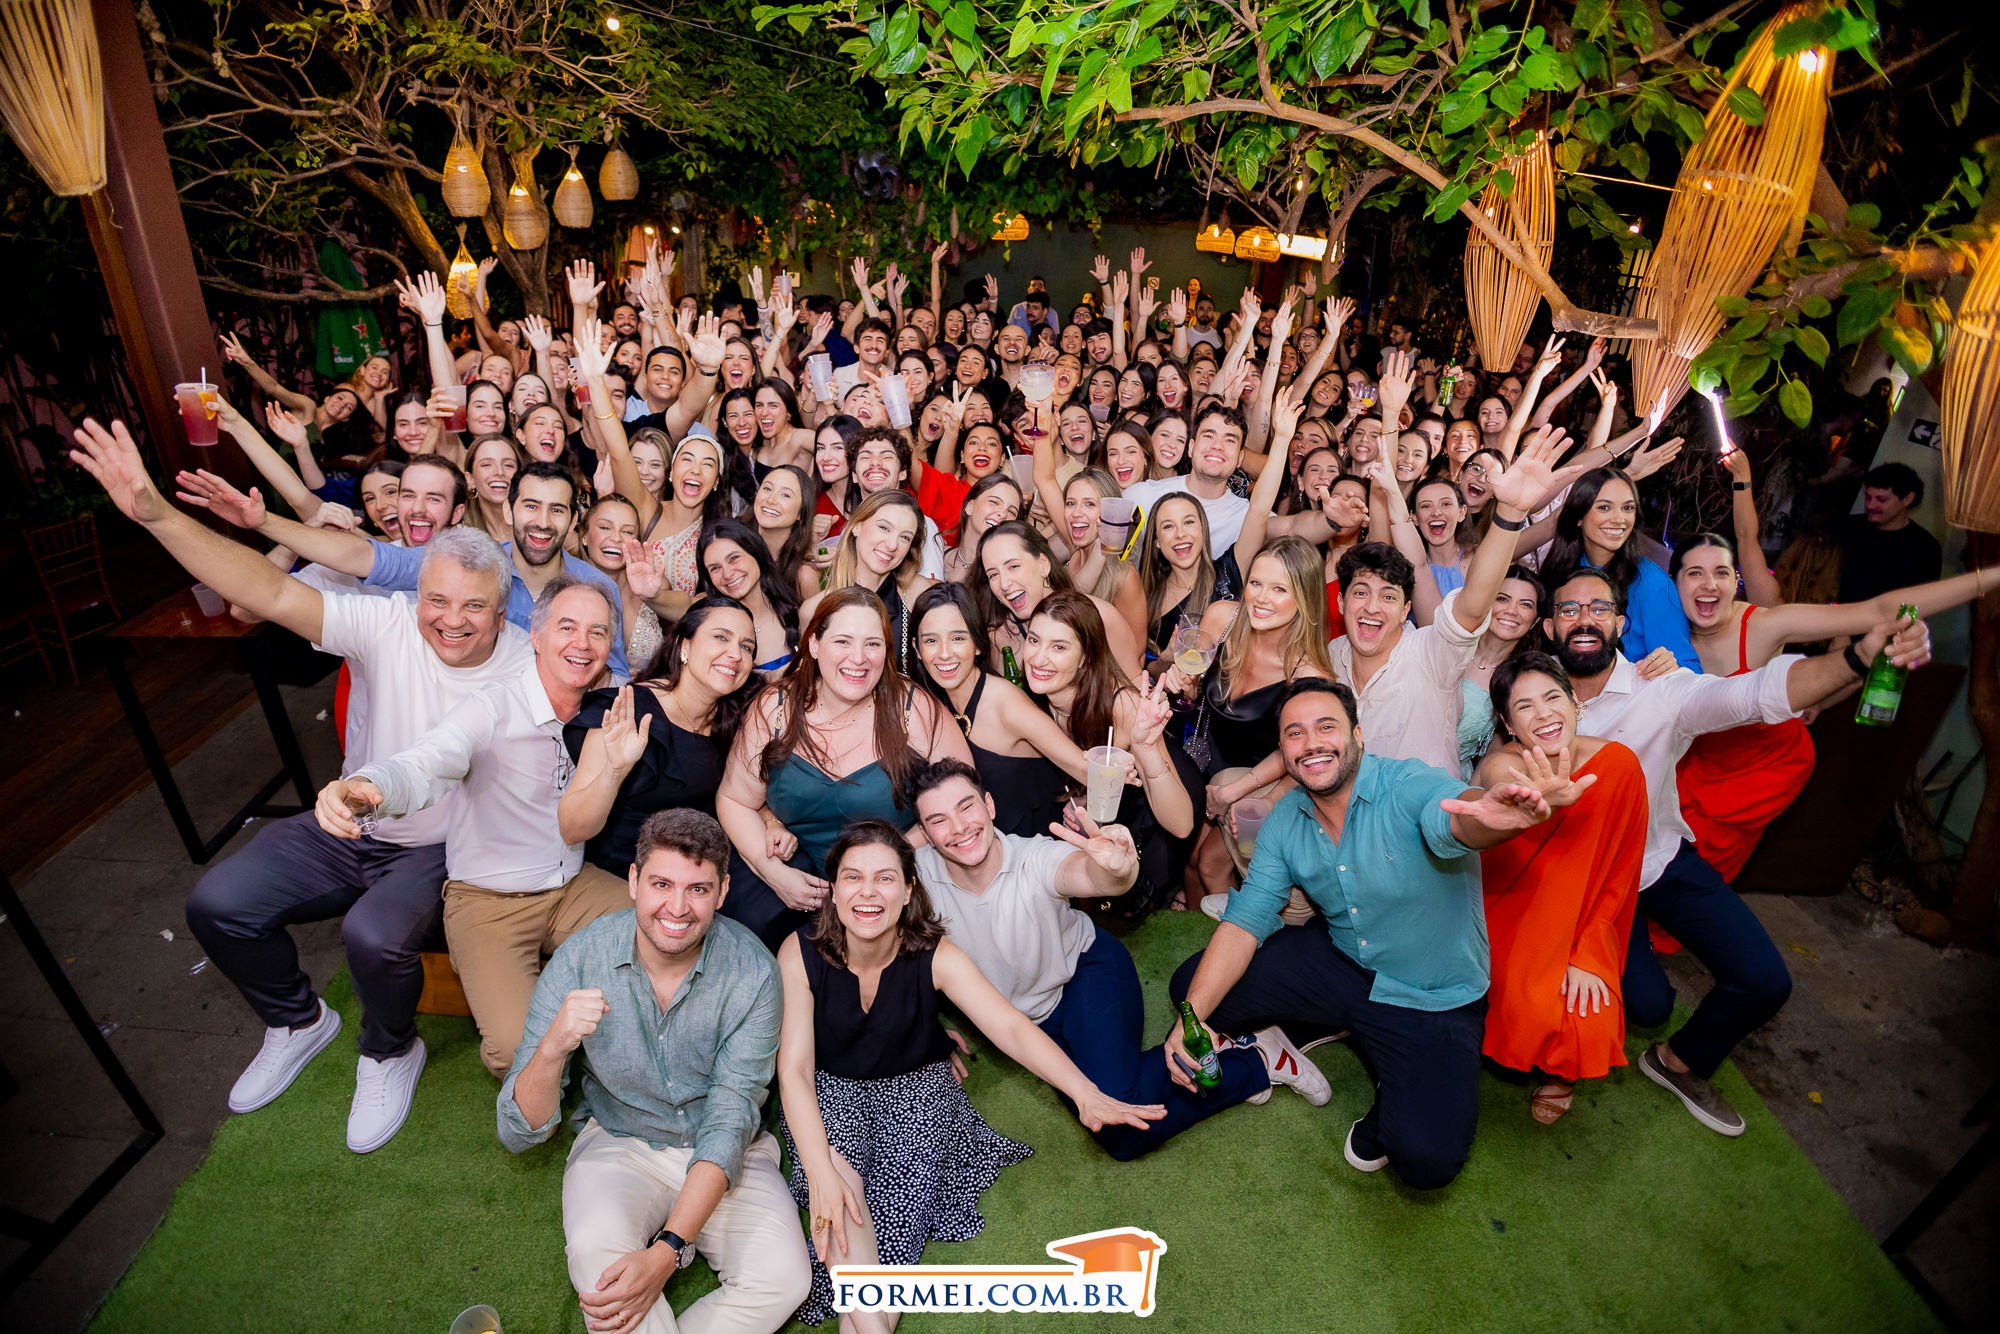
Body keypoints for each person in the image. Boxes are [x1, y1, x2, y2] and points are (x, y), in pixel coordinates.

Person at [68, 417, 532, 1152]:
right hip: (349, 823)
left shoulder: (524, 662)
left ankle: (389, 1049)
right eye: (437, 601)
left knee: (372, 936)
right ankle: (298, 1021)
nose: (451, 621)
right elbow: (266, 592)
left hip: (439, 849)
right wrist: (158, 515)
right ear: (416, 595)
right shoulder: (386, 622)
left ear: (500, 613)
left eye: (473, 606)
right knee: (218, 903)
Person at [1538, 566, 1932, 1135]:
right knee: (1648, 1006)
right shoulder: (1531, 693)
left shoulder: (1662, 690)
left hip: (1658, 861)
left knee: (1764, 981)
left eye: (1598, 609)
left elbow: (1752, 694)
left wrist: (1855, 659)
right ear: (1550, 627)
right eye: (1569, 609)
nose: (1584, 620)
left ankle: (1678, 1061)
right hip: (1585, 879)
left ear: (1620, 624)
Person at [1167, 679, 1563, 1189]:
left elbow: (1458, 818)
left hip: (1428, 996)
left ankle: (1388, 1079)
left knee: (1425, 1160)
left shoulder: (1408, 784)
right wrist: (1193, 1018)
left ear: (1357, 735)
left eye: (1325, 727)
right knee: (1191, 990)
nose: (1311, 743)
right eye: (1295, 733)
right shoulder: (1286, 817)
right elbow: (1245, 922)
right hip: (1341, 961)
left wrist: (1494, 817)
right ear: (1283, 751)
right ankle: (1304, 1036)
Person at [776, 819, 1162, 1327]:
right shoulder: (799, 952)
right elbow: (795, 1071)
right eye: (853, 877)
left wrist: (1084, 1092)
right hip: (830, 1092)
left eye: (885, 878)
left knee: (892, 1225)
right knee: (837, 1185)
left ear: (908, 890)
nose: (867, 892)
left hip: (915, 1092)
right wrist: (821, 1171)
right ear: (834, 887)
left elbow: (1010, 1027)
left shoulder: (936, 954)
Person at [911, 760, 1326, 1163]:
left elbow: (1087, 874)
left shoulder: (1034, 858)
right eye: (938, 820)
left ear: (989, 805)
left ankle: (1257, 1060)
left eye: (966, 807)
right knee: (1108, 1116)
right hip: (1026, 1020)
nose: (959, 827)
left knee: (1122, 1134)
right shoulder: (915, 882)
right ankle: (1232, 1051)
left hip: (1086, 976)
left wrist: (1118, 871)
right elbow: (894, 959)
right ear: (925, 835)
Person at [499, 809, 812, 1334]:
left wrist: (667, 1251)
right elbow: (517, 1132)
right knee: (602, 1275)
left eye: (698, 889)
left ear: (722, 891)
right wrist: (553, 1047)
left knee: (783, 1281)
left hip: (725, 1150)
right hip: (618, 1140)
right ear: (633, 881)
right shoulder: (581, 959)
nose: (677, 907)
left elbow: (730, 1118)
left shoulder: (753, 972)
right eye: (662, 884)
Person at [315, 578, 631, 1080]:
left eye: (598, 632)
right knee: (517, 1054)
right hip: (489, 903)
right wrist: (367, 785)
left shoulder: (609, 707)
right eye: (567, 627)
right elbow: (427, 761)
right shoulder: (491, 707)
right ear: (536, 635)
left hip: (572, 885)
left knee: (673, 923)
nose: (583, 643)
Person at [1672, 532, 1998, 878]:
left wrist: (1989, 578)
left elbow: (1878, 611)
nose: (1710, 585)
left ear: (1735, 580)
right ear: (1673, 582)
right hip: (1692, 762)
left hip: (1757, 769)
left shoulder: (1763, 624)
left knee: (1693, 874)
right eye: (1695, 573)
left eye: (1721, 573)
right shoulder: (1661, 627)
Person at [716, 588, 975, 948]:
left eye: (873, 644)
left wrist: (895, 853)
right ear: (814, 644)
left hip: (894, 882)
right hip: (797, 880)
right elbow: (735, 800)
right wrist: (772, 871)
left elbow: (965, 804)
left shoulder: (915, 710)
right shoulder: (775, 709)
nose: (859, 658)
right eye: (843, 641)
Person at [1473, 653, 1648, 1124]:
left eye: (1552, 698)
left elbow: (1622, 868)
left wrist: (1588, 952)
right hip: (1503, 905)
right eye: (1524, 707)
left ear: (1575, 701)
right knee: (1517, 1005)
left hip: (1581, 916)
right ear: (1508, 724)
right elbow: (1497, 780)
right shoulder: (1505, 763)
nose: (1544, 714)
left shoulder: (1619, 765)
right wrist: (1532, 797)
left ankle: (1560, 1074)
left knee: (1587, 1018)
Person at [1326, 427, 1558, 773]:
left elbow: (1472, 605)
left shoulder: (1432, 654)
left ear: (1406, 609)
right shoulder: (1333, 654)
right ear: (1341, 603)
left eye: (1388, 596)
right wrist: (1390, 491)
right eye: (1360, 593)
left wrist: (1509, 513)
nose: (1372, 607)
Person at [560, 597, 762, 879]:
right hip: (629, 875)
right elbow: (572, 830)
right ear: (684, 646)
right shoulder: (625, 709)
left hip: (705, 864)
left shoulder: (740, 713)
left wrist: (770, 820)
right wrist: (615, 772)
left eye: (746, 647)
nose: (735, 654)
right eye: (721, 637)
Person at [911, 583, 1091, 839]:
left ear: (978, 644)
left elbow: (1088, 771)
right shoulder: (930, 702)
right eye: (931, 640)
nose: (944, 653)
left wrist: (1086, 806)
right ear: (917, 649)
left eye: (958, 638)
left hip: (1040, 849)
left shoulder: (1006, 704)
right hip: (979, 847)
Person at [1537, 467, 1699, 670]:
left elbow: (1686, 668)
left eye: (1628, 508)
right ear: (1578, 516)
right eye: (1604, 507)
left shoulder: (1650, 581)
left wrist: (1666, 668)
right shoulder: (1559, 568)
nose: (1619, 519)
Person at [1835, 462, 1943, 604]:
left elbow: (1916, 603)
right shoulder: (1845, 528)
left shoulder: (1925, 548)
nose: (1870, 505)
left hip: (1882, 618)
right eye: (1868, 497)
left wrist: (1903, 620)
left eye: (1881, 499)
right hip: (1834, 613)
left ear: (1907, 499)